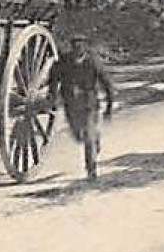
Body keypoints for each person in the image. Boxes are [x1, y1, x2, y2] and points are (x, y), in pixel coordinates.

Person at [48, 34, 116, 182]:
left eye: (80, 45)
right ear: (72, 47)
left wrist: (109, 107)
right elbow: (54, 77)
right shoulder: (64, 62)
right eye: (75, 45)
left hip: (89, 105)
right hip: (70, 105)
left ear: (85, 46)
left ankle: (91, 171)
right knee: (78, 135)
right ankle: (95, 139)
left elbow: (107, 84)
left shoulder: (93, 62)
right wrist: (52, 95)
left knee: (88, 136)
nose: (77, 48)